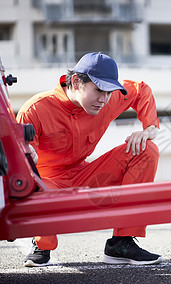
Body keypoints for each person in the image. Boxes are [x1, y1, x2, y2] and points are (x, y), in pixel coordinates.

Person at [17, 52, 162, 267]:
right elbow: (20, 162)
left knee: (146, 150)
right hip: (48, 183)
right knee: (28, 177)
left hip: (85, 175)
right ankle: (42, 244)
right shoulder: (35, 110)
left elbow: (141, 90)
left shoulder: (107, 100)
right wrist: (25, 155)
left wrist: (149, 129)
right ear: (76, 82)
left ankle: (121, 242)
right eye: (98, 91)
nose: (104, 99)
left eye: (108, 92)